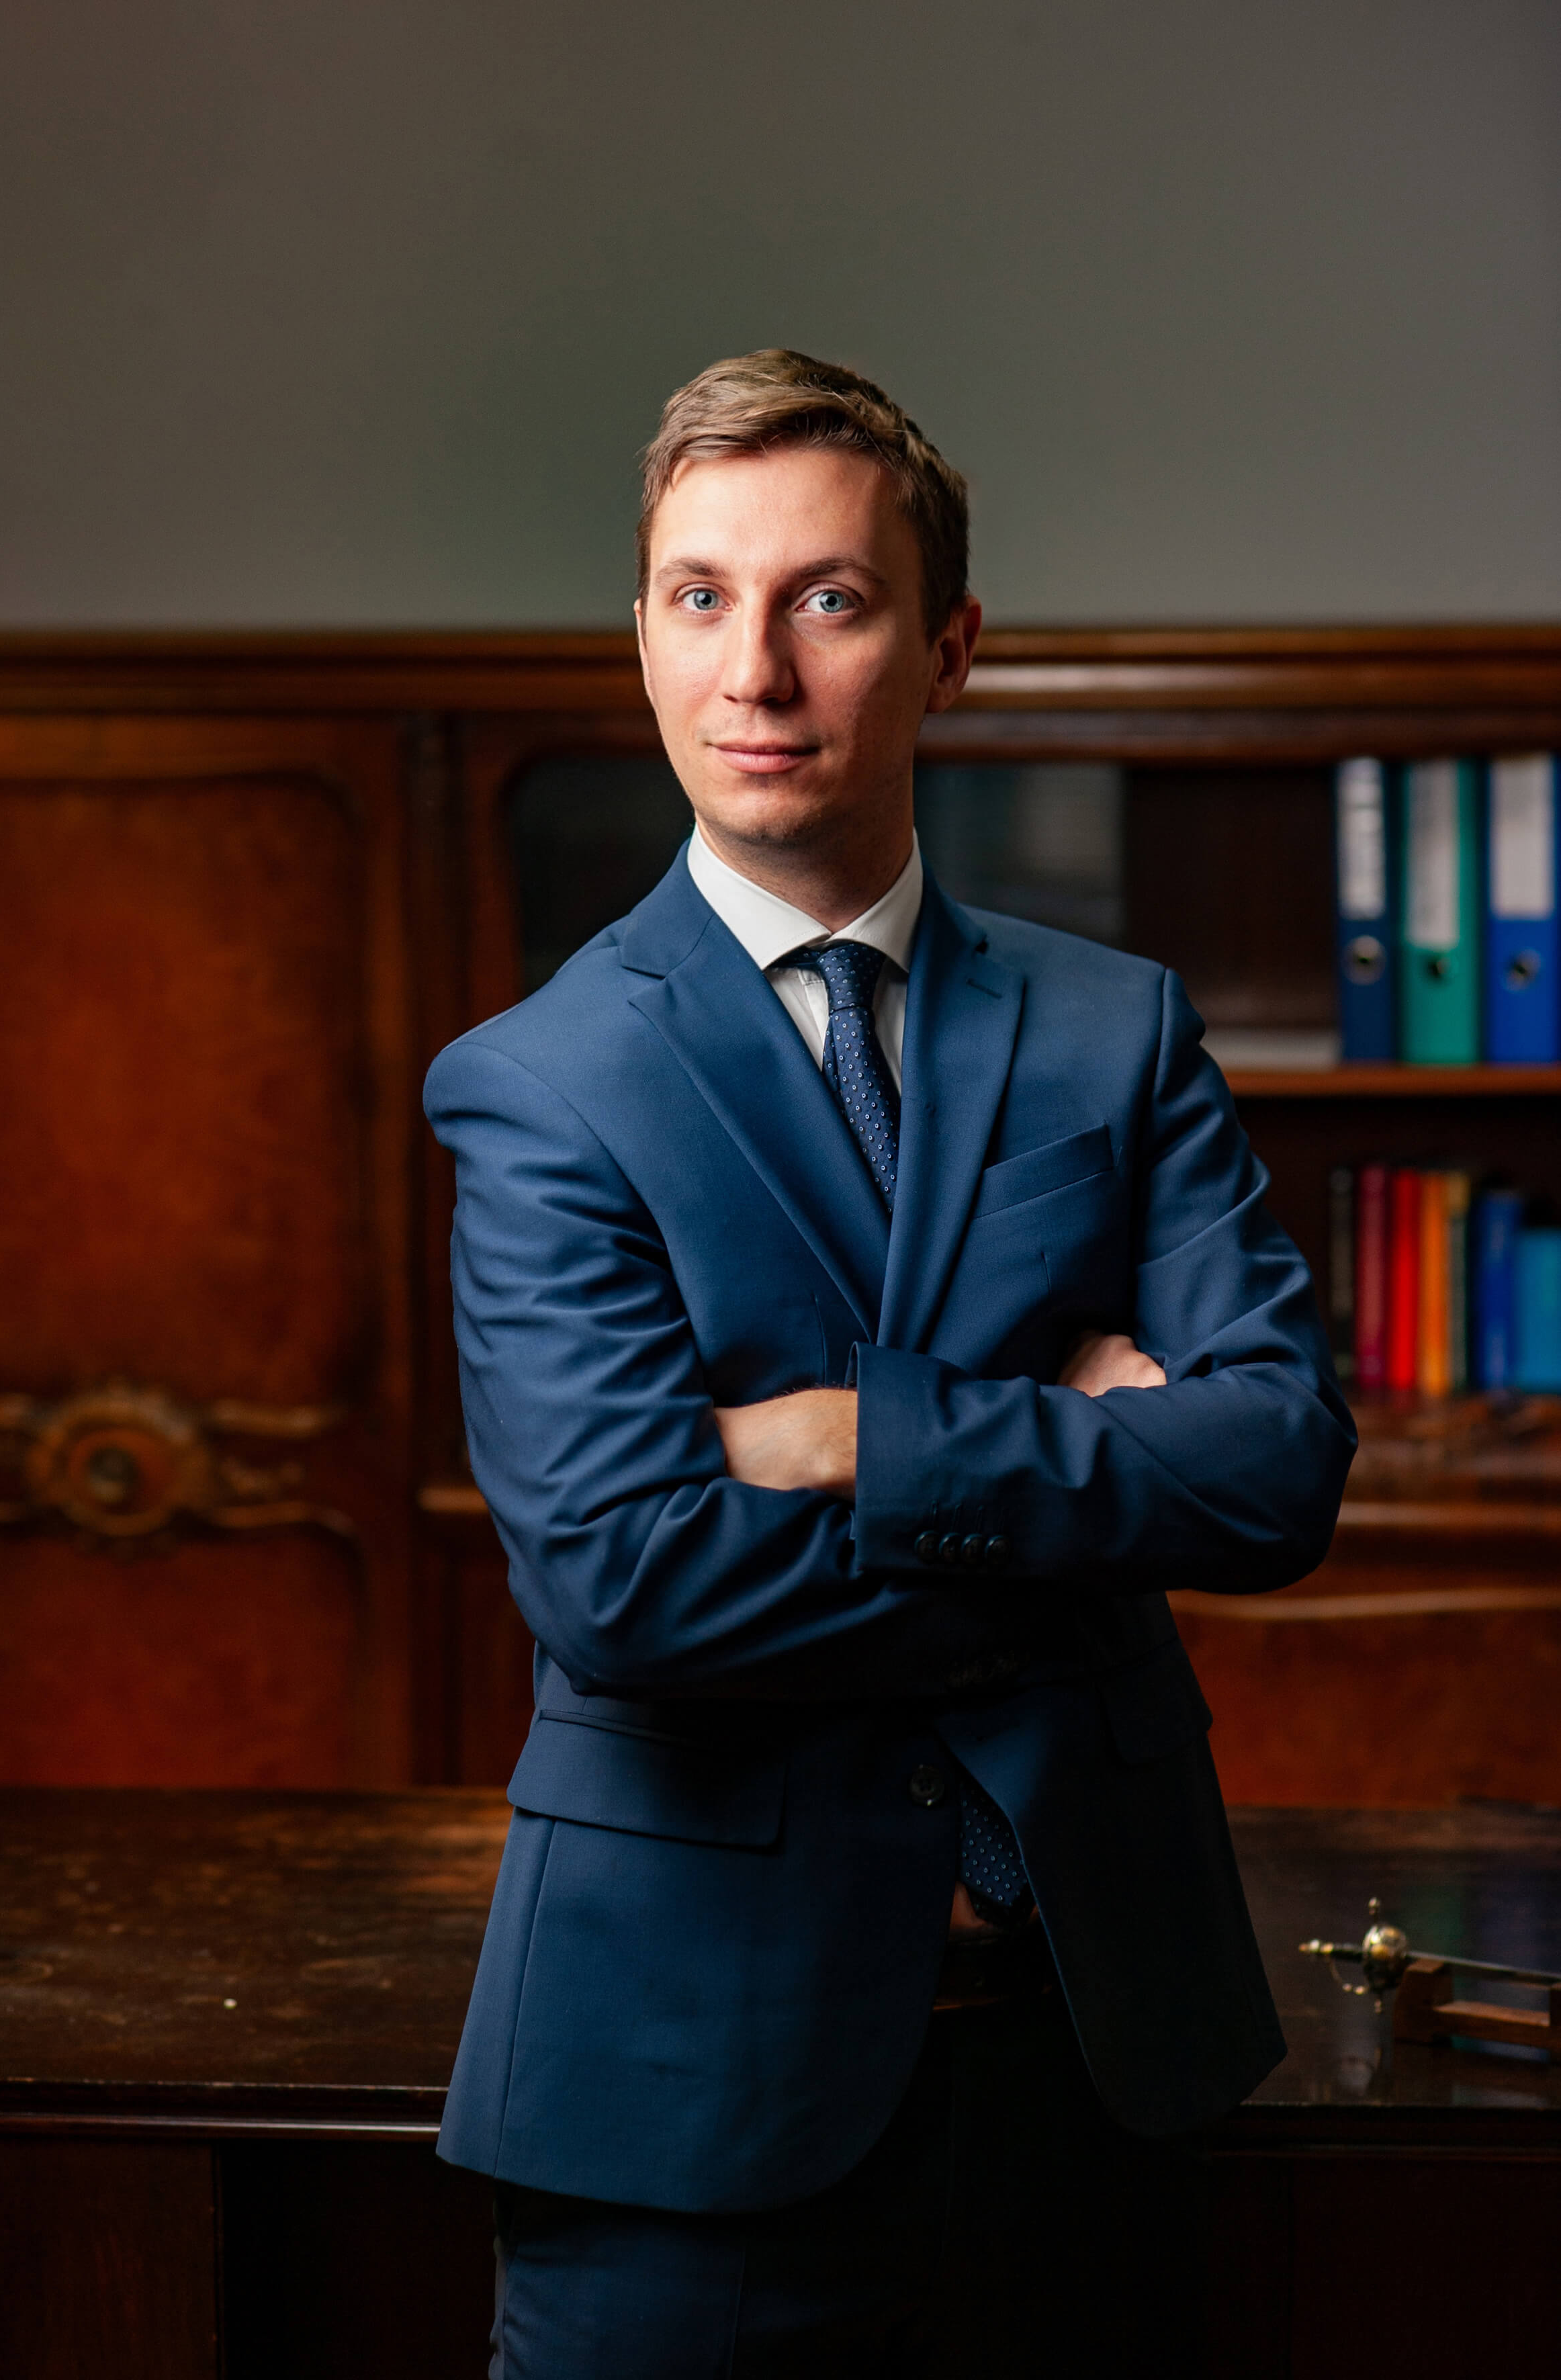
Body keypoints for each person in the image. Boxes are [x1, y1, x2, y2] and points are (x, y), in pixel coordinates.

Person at [425, 349, 1354, 2378]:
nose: (755, 666)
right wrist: (1088, 1484)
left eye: (828, 600)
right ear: (644, 639)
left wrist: (858, 1436)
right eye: (698, 596)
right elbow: (630, 1580)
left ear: (950, 648)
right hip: (687, 2088)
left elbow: (1278, 1464)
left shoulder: (1119, 1030)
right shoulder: (540, 1085)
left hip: (1100, 2051)